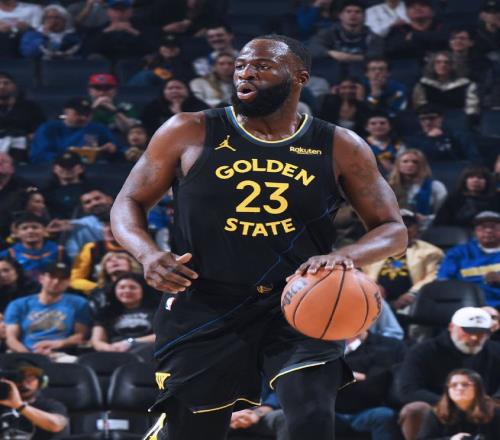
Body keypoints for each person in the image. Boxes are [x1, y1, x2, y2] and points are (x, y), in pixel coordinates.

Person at [110, 34, 407, 440]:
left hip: (298, 300)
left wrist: (348, 255)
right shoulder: (189, 130)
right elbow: (128, 201)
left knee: (312, 418)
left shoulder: (340, 145)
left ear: (300, 77)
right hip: (204, 300)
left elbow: (393, 229)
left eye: (262, 66)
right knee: (193, 431)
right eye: (240, 65)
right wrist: (147, 254)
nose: (246, 73)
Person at [397, 307, 500, 440]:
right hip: (437, 406)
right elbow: (408, 390)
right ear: (451, 327)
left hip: (486, 406)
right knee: (415, 409)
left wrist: (489, 401)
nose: (474, 337)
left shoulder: (496, 351)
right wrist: (451, 402)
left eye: (482, 333)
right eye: (468, 331)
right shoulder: (423, 351)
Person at [363, 209, 443, 314]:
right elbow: (363, 274)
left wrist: (412, 293)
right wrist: (373, 287)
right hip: (376, 300)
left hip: (413, 302)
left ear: (417, 228)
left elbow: (432, 276)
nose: (403, 229)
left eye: (408, 225)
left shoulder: (431, 252)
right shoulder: (373, 250)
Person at [4, 262, 92, 357]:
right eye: (52, 277)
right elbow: (11, 339)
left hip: (62, 354)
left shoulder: (79, 303)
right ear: (41, 279)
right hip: (25, 353)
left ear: (69, 282)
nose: (56, 282)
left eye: (62, 278)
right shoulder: (18, 304)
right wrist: (30, 356)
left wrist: (58, 344)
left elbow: (80, 336)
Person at [437, 211, 500, 308]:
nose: (488, 230)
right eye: (483, 227)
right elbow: (444, 282)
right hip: (466, 305)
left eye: (494, 227)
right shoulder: (458, 253)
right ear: (475, 231)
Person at [29, 97, 120, 164]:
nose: (83, 117)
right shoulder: (49, 128)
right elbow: (39, 155)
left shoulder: (96, 128)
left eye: (87, 114)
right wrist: (69, 158)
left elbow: (117, 148)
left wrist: (111, 149)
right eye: (79, 113)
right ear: (66, 112)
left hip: (90, 169)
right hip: (57, 168)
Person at [417, 368, 500, 440]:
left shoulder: (494, 412)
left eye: (465, 385)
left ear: (478, 389)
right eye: (454, 385)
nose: (459, 388)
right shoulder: (437, 412)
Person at [0, 359, 68, 439]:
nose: (24, 383)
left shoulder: (51, 405)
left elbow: (55, 425)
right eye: (19, 378)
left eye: (31, 377)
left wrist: (19, 405)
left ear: (41, 382)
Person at [90, 272, 156, 353]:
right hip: (116, 353)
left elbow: (162, 335)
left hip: (149, 350)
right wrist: (110, 349)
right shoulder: (105, 312)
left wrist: (130, 342)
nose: (127, 291)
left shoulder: (157, 310)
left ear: (143, 290)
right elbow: (96, 341)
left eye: (132, 287)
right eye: (122, 287)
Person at [309, 1, 384, 68]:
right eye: (348, 11)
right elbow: (313, 47)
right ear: (340, 15)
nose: (353, 14)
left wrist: (349, 57)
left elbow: (377, 55)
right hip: (331, 71)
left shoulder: (372, 36)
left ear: (364, 16)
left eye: (357, 12)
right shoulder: (329, 32)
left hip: (361, 71)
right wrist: (331, 53)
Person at [388, 149, 447, 226]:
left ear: (422, 165)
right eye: (405, 161)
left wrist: (427, 218)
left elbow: (443, 215)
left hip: (426, 228)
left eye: (415, 162)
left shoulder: (436, 186)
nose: (410, 164)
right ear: (398, 165)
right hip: (396, 227)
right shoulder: (389, 187)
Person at [412, 51, 479, 119]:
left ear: (453, 65)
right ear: (432, 65)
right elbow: (420, 106)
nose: (443, 65)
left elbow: (471, 108)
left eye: (447, 62)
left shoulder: (466, 84)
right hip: (431, 119)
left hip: (458, 119)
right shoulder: (423, 84)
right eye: (438, 62)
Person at [404, 104, 480, 163]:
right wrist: (430, 140)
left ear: (441, 118)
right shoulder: (412, 140)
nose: (427, 122)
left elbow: (475, 159)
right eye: (423, 119)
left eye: (431, 118)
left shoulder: (459, 136)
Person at [0, 213, 64, 282]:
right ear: (17, 233)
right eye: (24, 228)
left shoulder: (59, 251)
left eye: (35, 227)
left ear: (45, 231)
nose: (30, 231)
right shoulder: (8, 254)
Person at [70, 218, 125, 294]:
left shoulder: (138, 246)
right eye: (105, 226)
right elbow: (74, 280)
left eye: (114, 225)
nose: (108, 230)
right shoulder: (92, 248)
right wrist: (99, 288)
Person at [434, 165, 500, 228]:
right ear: (465, 180)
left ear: (487, 181)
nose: (475, 180)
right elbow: (439, 224)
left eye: (480, 177)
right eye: (471, 177)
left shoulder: (496, 198)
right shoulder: (454, 198)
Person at [0, 72, 45, 163]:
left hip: (23, 145)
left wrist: (29, 137)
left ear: (14, 87)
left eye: (6, 83)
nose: (1, 86)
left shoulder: (30, 107)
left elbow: (41, 129)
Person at [86, 0, 153, 61]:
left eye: (123, 10)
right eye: (115, 10)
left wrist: (133, 31)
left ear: (130, 11)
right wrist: (107, 31)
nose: (119, 13)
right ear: (108, 12)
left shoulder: (142, 26)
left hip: (134, 64)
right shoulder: (101, 28)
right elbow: (88, 50)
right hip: (105, 66)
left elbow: (152, 47)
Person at [140, 78, 208, 136]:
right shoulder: (152, 108)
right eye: (170, 88)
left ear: (188, 91)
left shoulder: (199, 106)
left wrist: (180, 113)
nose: (174, 91)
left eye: (178, 88)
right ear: (163, 92)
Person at [127, 33, 195, 87]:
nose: (169, 49)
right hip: (146, 89)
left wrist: (157, 71)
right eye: (166, 46)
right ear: (160, 48)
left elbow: (179, 78)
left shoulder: (186, 61)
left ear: (179, 49)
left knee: (147, 75)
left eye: (173, 47)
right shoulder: (150, 59)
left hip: (172, 88)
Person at [42, 152, 88, 220]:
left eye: (71, 166)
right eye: (62, 166)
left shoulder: (91, 189)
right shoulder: (46, 192)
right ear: (54, 169)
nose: (66, 169)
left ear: (81, 168)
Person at [364, 111, 405, 175]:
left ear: (390, 126)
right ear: (366, 127)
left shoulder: (398, 144)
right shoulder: (361, 145)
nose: (378, 126)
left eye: (382, 123)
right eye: (373, 123)